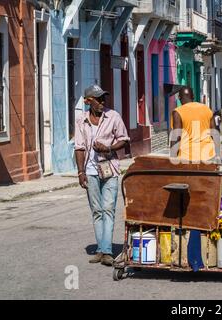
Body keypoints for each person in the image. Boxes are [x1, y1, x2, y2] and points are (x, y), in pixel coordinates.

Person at [75, 84, 130, 266]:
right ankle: (100, 249)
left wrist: (108, 148)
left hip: (110, 169)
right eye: (98, 99)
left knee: (108, 209)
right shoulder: (81, 120)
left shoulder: (113, 116)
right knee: (97, 211)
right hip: (90, 172)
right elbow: (79, 147)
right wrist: (81, 172)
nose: (102, 102)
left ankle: (106, 251)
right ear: (88, 101)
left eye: (103, 98)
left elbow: (123, 139)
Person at [171, 86, 217, 163]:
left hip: (187, 157)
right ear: (193, 96)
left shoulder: (178, 112)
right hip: (208, 154)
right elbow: (214, 133)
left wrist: (172, 156)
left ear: (179, 97)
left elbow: (176, 137)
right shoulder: (206, 109)